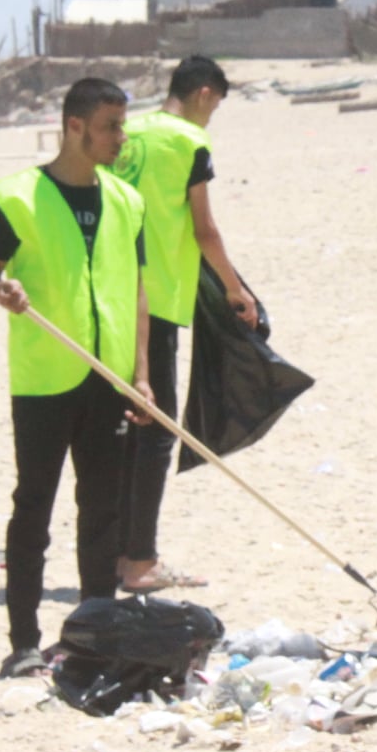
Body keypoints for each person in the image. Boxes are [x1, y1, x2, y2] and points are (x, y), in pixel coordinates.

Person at [0, 78, 151, 677]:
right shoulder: (20, 197)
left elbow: (139, 289)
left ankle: (94, 632)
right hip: (45, 379)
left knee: (101, 511)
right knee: (35, 508)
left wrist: (143, 377)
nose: (120, 139)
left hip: (108, 375)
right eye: (111, 127)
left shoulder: (126, 200)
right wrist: (5, 292)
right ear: (74, 126)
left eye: (123, 126)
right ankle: (24, 641)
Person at [112, 55, 257, 593]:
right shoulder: (188, 142)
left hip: (112, 296)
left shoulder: (127, 132)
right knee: (154, 433)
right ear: (201, 93)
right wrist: (235, 290)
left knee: (122, 429)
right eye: (214, 106)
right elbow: (204, 229)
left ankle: (114, 552)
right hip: (162, 300)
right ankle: (141, 560)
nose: (210, 117)